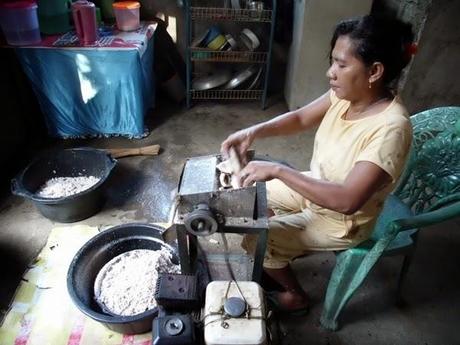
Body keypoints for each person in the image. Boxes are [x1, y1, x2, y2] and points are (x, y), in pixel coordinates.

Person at [221, 14, 415, 314]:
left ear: (374, 71)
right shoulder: (349, 94)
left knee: (255, 238)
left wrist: (279, 170)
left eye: (341, 64)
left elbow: (348, 201)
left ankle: (295, 295)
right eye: (332, 62)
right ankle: (284, 245)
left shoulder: (390, 129)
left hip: (342, 220)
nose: (330, 73)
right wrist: (253, 131)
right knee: (247, 196)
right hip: (319, 184)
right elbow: (300, 118)